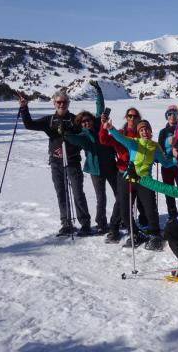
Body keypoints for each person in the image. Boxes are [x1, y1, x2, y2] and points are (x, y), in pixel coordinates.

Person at [18, 90, 93, 237]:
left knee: (77, 192)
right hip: (55, 162)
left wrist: (70, 149)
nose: (61, 105)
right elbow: (29, 124)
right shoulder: (49, 120)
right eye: (58, 102)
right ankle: (66, 223)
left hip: (72, 161)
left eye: (64, 102)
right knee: (61, 192)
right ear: (54, 104)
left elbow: (84, 137)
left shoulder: (74, 120)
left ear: (68, 104)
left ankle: (85, 224)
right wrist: (24, 108)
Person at [104, 118, 177, 250]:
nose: (144, 132)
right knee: (124, 211)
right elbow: (121, 139)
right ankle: (135, 233)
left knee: (150, 209)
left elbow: (165, 162)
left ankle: (155, 234)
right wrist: (111, 128)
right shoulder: (134, 143)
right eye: (141, 130)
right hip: (129, 179)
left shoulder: (155, 146)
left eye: (147, 129)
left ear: (150, 131)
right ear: (139, 132)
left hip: (145, 181)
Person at [64, 81, 117, 234]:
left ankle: (118, 220)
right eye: (83, 121)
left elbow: (100, 107)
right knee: (101, 198)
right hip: (96, 170)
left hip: (110, 166)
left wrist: (98, 91)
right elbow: (73, 139)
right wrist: (64, 132)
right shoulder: (82, 136)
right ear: (80, 124)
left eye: (88, 120)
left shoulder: (100, 126)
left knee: (119, 195)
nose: (86, 122)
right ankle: (101, 224)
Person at [99, 107, 148, 243]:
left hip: (139, 173)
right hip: (123, 172)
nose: (132, 118)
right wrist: (104, 126)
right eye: (129, 116)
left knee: (134, 200)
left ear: (138, 118)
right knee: (122, 202)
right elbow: (103, 140)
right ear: (126, 118)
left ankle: (134, 227)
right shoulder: (119, 133)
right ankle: (115, 229)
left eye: (135, 116)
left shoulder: (142, 134)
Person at [158, 105, 178, 223]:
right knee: (169, 191)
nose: (172, 116)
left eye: (174, 113)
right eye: (169, 114)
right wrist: (159, 157)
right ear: (166, 116)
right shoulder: (163, 132)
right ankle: (172, 215)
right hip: (167, 165)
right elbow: (160, 147)